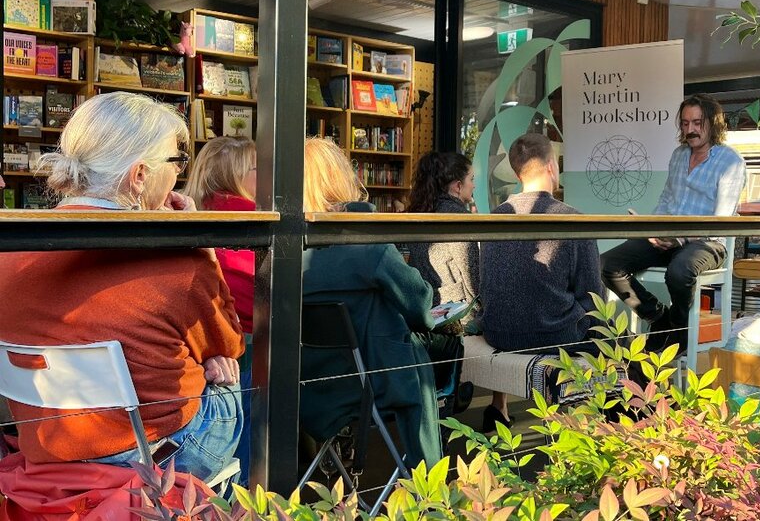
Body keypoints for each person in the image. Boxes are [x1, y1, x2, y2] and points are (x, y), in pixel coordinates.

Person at [0, 92, 244, 482]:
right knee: (232, 378)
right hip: (157, 458)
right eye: (176, 161)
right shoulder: (176, 260)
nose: (179, 174)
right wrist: (202, 242)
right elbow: (229, 343)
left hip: (46, 448)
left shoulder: (10, 249)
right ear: (141, 175)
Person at [299, 138, 445, 467]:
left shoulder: (288, 251)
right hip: (373, 388)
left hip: (312, 390)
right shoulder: (365, 243)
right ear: (340, 180)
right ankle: (430, 482)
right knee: (429, 352)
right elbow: (421, 307)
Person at [600, 93, 746, 355]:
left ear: (713, 123)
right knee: (606, 264)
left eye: (697, 123)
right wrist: (652, 229)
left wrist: (681, 239)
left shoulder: (730, 162)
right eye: (685, 123)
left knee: (679, 272)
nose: (690, 130)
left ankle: (679, 329)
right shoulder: (678, 156)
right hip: (668, 238)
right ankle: (659, 317)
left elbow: (721, 221)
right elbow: (667, 199)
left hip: (708, 242)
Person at [480, 132, 604, 432]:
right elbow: (592, 297)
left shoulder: (494, 217)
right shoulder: (571, 219)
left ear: (516, 171)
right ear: (551, 166)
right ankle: (600, 430)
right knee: (616, 334)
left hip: (498, 332)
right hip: (551, 336)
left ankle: (499, 408)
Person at [183, 135, 257, 485]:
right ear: (236, 178)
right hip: (241, 354)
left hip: (197, 360)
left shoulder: (188, 218)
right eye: (259, 169)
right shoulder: (251, 225)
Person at [407, 151, 480, 331]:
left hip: (427, 311)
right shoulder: (458, 217)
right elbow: (471, 275)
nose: (474, 185)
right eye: (471, 179)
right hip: (457, 316)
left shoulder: (422, 212)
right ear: (457, 186)